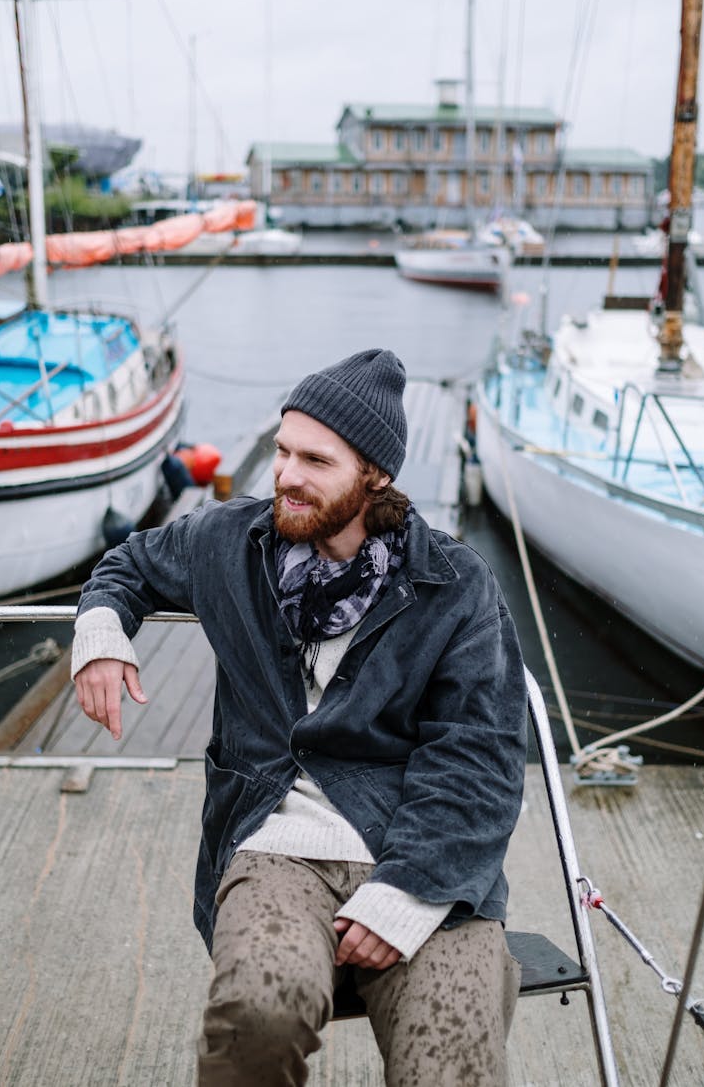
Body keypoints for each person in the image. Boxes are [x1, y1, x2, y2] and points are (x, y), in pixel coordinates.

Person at [72, 348, 527, 1087]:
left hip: (421, 843)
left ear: (375, 474)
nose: (285, 474)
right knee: (257, 1015)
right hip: (273, 838)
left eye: (315, 459)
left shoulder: (454, 583)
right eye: (282, 450)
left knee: (455, 1062)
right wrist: (100, 637)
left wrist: (407, 892)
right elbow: (128, 564)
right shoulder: (230, 541)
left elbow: (482, 756)